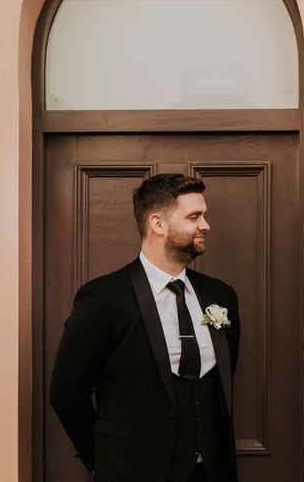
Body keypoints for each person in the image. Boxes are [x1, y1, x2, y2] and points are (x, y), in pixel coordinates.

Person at [50, 174, 240, 482]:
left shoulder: (221, 296)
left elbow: (222, 385)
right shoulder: (103, 298)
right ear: (158, 223)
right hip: (132, 471)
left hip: (212, 472)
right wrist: (102, 460)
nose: (206, 225)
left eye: (204, 215)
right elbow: (66, 392)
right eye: (194, 216)